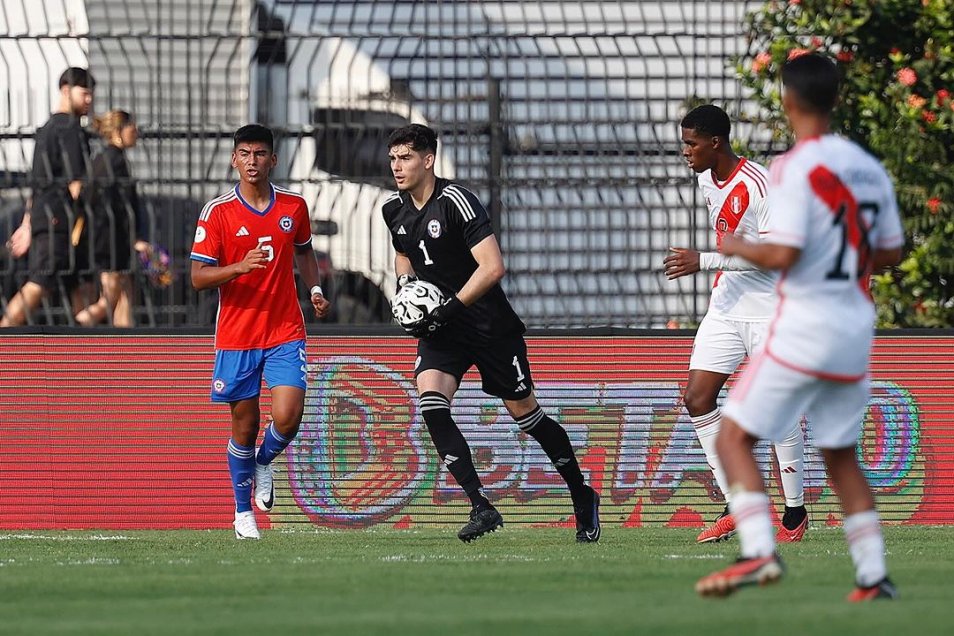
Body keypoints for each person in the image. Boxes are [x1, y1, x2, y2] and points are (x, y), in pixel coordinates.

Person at [695, 53, 903, 600]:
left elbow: (784, 251)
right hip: (854, 321)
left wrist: (731, 249)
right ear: (836, 99)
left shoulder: (789, 169)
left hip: (804, 318)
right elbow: (891, 252)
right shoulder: (868, 167)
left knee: (737, 434)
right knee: (839, 452)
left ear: (789, 101)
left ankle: (760, 553)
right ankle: (873, 575)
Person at [382, 123, 601, 543]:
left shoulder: (457, 201)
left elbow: (493, 267)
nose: (397, 166)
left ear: (428, 159)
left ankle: (581, 493)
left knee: (527, 417)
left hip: (488, 326)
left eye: (406, 157)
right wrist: (405, 289)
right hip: (441, 330)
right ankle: (481, 505)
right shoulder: (393, 208)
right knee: (431, 405)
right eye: (393, 158)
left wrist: (450, 306)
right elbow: (403, 254)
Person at [665, 104, 807, 544]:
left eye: (690, 144)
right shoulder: (707, 178)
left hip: (770, 312)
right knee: (697, 397)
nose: (684, 152)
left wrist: (703, 260)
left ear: (715, 142)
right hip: (726, 309)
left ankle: (795, 515)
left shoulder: (761, 186)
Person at [190, 124, 330, 539]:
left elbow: (303, 250)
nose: (252, 162)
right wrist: (239, 267)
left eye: (260, 154)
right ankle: (242, 514)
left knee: (287, 417)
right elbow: (198, 277)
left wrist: (316, 288)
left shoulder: (294, 206)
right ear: (234, 159)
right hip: (237, 335)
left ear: (274, 160)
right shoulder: (217, 212)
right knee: (244, 427)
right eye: (245, 154)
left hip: (285, 329)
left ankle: (263, 461)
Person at [2, 67, 94, 326]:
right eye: (85, 93)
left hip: (48, 216)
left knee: (81, 287)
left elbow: (37, 184)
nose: (89, 100)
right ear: (66, 90)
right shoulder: (70, 129)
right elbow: (77, 184)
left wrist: (28, 223)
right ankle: (5, 336)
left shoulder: (46, 129)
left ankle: (84, 353)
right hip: (61, 219)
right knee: (40, 282)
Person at [75, 109, 149, 327]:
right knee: (110, 297)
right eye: (131, 127)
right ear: (118, 131)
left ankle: (125, 350)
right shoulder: (113, 161)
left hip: (108, 238)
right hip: (110, 240)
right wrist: (134, 238)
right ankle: (75, 327)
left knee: (125, 293)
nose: (136, 132)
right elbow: (116, 206)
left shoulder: (104, 159)